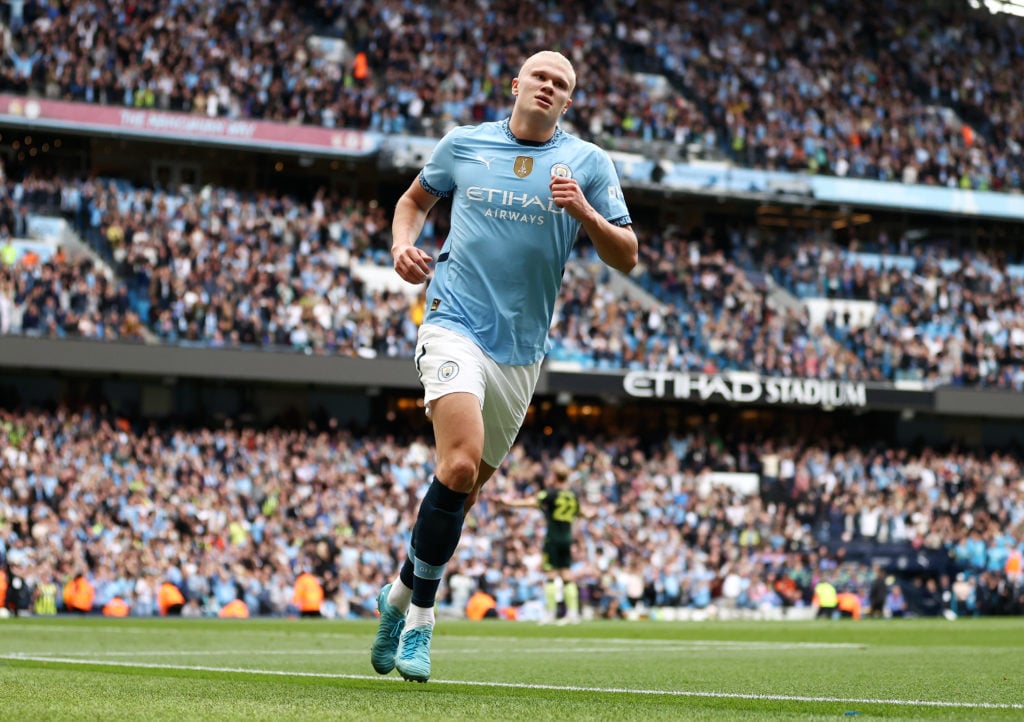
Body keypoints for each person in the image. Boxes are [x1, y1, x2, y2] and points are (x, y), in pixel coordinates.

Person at [372, 49, 637, 683]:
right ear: (516, 85)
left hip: (520, 352)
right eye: (540, 77)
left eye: (562, 84)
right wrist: (402, 245)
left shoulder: (589, 163)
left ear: (568, 102)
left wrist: (585, 214)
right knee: (457, 463)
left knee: (460, 496)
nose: (549, 87)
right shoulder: (463, 144)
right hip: (452, 321)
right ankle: (422, 624)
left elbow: (625, 255)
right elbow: (412, 201)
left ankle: (397, 597)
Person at [497, 460, 593, 624]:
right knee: (567, 576)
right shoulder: (572, 495)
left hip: (553, 538)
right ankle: (573, 613)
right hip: (567, 538)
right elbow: (584, 513)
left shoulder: (550, 493)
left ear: (555, 476)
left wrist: (509, 502)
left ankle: (550, 613)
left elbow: (532, 502)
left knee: (550, 576)